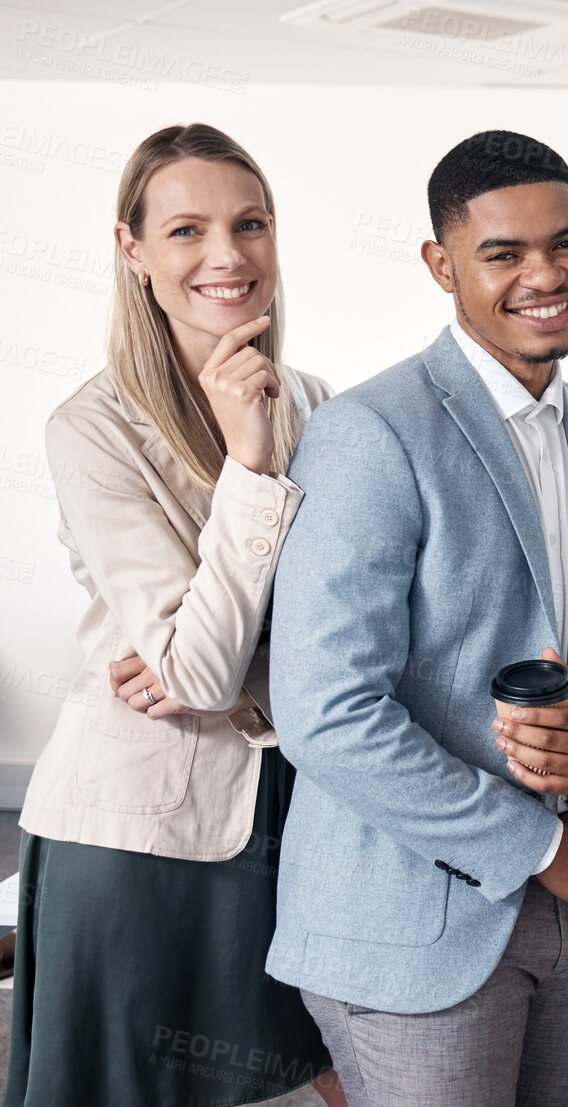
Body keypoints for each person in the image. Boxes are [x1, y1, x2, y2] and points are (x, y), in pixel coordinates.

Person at [265, 130, 568, 1107]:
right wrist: (545, 849)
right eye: (503, 253)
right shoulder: (370, 434)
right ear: (442, 265)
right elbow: (326, 710)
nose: (545, 275)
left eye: (567, 242)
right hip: (408, 920)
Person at [8, 123, 342, 1107]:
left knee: (353, 1072)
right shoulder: (91, 428)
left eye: (250, 224)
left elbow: (360, 634)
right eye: (187, 229)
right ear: (133, 250)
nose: (227, 255)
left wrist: (232, 665)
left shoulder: (319, 405)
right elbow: (191, 675)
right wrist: (247, 466)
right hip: (139, 835)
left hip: (300, 812)